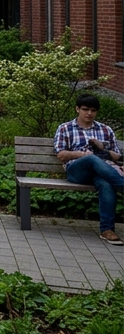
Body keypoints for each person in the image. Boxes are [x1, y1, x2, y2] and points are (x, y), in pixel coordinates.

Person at [53, 94, 124, 246]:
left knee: (106, 183)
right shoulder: (65, 128)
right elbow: (61, 154)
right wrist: (83, 155)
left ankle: (107, 230)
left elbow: (117, 157)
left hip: (102, 171)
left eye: (93, 110)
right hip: (77, 171)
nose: (89, 113)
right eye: (85, 109)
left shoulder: (105, 129)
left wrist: (102, 147)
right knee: (91, 159)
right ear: (77, 109)